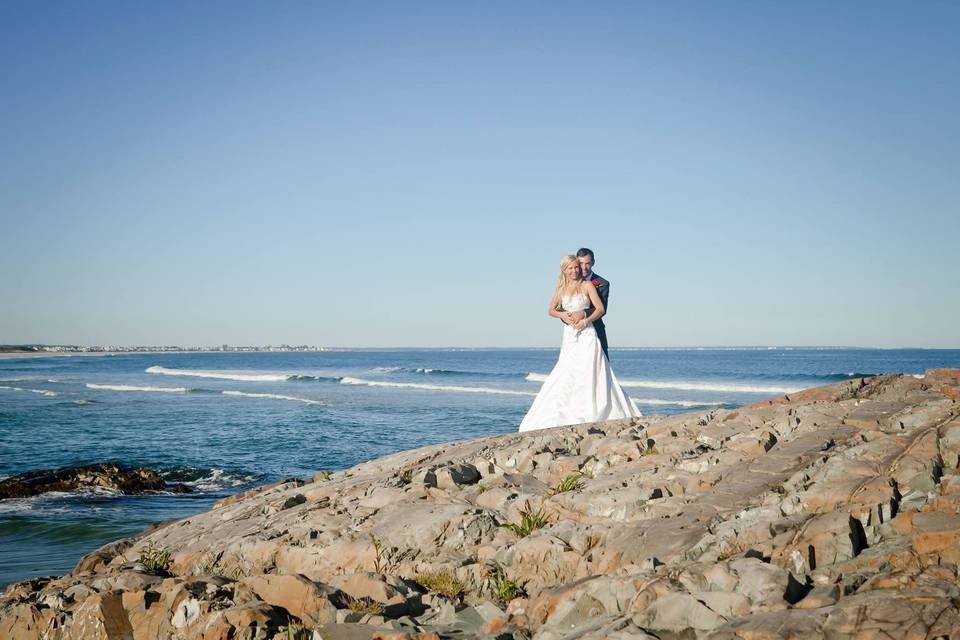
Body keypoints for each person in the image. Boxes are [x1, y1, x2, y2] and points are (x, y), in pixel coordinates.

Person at [519, 255, 640, 432]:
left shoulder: (587, 285)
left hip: (587, 333)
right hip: (569, 335)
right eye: (571, 268)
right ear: (564, 270)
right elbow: (551, 310)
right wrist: (563, 316)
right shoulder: (561, 288)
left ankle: (592, 409)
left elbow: (600, 309)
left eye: (576, 267)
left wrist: (585, 319)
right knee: (567, 369)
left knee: (589, 369)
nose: (575, 270)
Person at [575, 248, 610, 358]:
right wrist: (568, 318)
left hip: (595, 330)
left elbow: (602, 309)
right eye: (581, 263)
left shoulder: (602, 283)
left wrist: (583, 313)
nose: (584, 267)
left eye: (588, 263)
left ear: (593, 262)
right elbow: (560, 307)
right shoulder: (568, 282)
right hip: (573, 331)